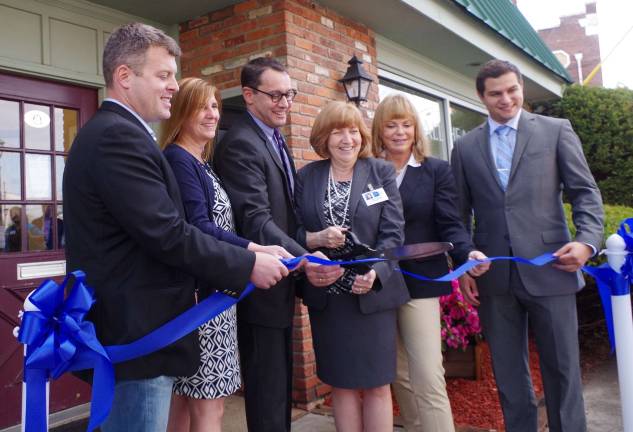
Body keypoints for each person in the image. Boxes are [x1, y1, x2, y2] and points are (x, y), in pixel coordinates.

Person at [63, 23, 288, 432]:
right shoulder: (117, 138)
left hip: (143, 334)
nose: (172, 86)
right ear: (125, 76)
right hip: (134, 338)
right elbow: (167, 233)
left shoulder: (125, 134)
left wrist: (251, 251)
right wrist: (246, 263)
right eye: (163, 75)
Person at [451, 59, 604, 432]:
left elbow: (585, 193)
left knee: (562, 369)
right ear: (481, 97)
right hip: (494, 277)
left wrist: (586, 242)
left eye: (512, 90)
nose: (506, 99)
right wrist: (464, 259)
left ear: (521, 87)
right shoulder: (465, 147)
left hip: (552, 268)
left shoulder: (555, 131)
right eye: (496, 93)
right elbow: (457, 215)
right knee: (507, 372)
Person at [214, 57, 340, 432]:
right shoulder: (240, 143)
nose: (285, 102)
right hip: (258, 288)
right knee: (268, 391)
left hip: (280, 284)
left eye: (290, 94)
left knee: (279, 388)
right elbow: (255, 220)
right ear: (249, 95)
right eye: (276, 95)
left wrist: (312, 239)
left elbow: (284, 215)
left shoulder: (274, 138)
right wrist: (305, 258)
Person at [159, 77, 292, 432]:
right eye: (201, 106)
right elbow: (199, 227)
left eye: (215, 105)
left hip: (213, 299)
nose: (211, 113)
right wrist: (255, 249)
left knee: (185, 407)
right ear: (180, 112)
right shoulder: (179, 159)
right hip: (203, 306)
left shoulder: (201, 163)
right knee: (208, 410)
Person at [373, 93, 490, 432]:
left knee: (427, 373)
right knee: (398, 371)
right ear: (379, 129)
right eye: (391, 125)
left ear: (415, 129)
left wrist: (467, 254)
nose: (398, 132)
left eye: (406, 124)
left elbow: (451, 222)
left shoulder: (436, 170)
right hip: (379, 281)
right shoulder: (368, 170)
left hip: (421, 280)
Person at [295, 101, 410, 432]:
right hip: (328, 296)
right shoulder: (307, 176)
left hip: (371, 292)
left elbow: (393, 232)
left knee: (377, 383)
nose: (347, 139)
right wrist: (316, 239)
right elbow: (294, 232)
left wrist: (377, 274)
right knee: (341, 383)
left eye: (352, 130)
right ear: (323, 138)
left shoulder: (380, 171)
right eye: (337, 132)